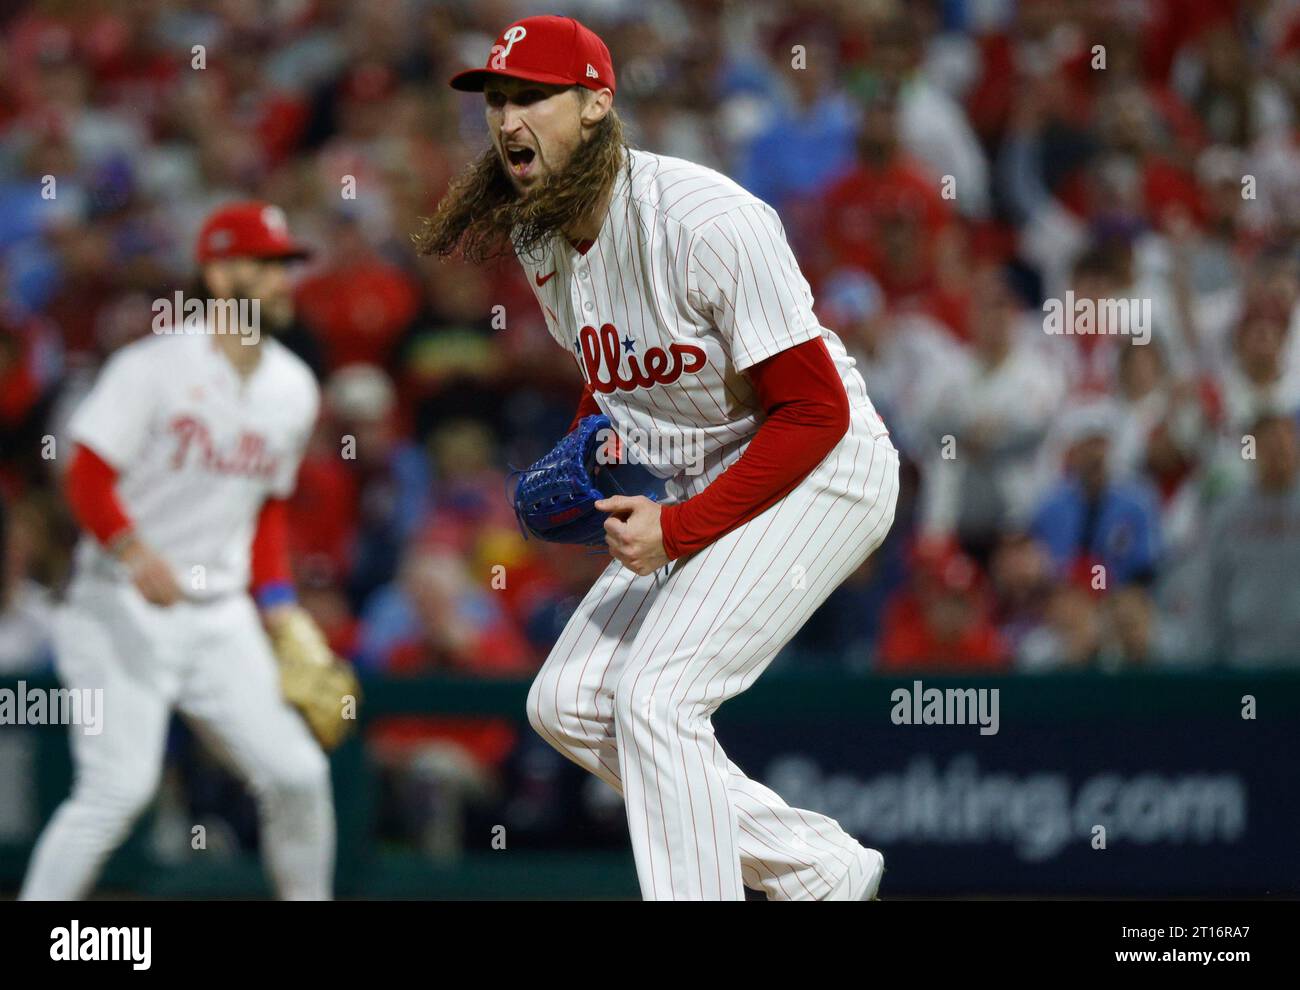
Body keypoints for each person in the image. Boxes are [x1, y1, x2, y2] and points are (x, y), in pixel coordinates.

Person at [417, 15, 899, 901]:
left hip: (823, 467)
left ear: (597, 103)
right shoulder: (540, 239)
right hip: (700, 470)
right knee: (564, 704)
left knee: (655, 699)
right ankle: (818, 867)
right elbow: (614, 376)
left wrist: (677, 529)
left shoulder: (705, 218)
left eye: (531, 97)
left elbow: (815, 410)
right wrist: (589, 448)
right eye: (496, 100)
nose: (506, 118)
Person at [20, 202, 336, 900]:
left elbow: (268, 509)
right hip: (114, 603)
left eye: (288, 265)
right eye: (268, 266)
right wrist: (133, 551)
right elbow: (86, 471)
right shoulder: (153, 365)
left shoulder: (294, 387)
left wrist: (280, 605)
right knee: (117, 790)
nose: (285, 281)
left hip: (220, 615)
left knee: (298, 775)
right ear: (220, 274)